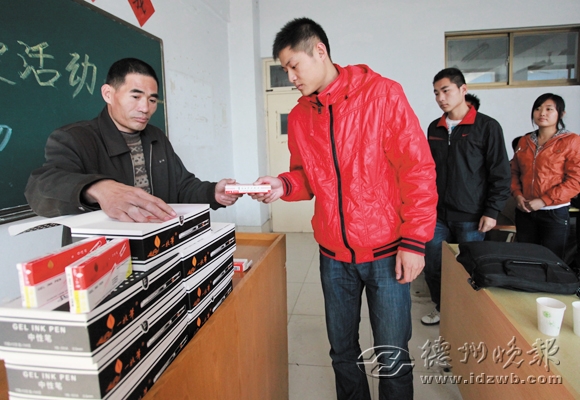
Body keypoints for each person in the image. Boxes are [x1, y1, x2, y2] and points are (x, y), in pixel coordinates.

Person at [250, 18, 437, 400]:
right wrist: (283, 185)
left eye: (293, 66)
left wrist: (415, 242)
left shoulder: (382, 95)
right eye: (285, 69)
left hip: (387, 254)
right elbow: (307, 176)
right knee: (342, 353)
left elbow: (417, 169)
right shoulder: (301, 116)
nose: (290, 77)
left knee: (393, 355)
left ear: (319, 51)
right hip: (333, 258)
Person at [25, 58, 241, 222]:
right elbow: (39, 190)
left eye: (152, 100)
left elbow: (182, 187)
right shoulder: (75, 138)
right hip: (106, 253)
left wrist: (213, 192)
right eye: (135, 97)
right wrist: (97, 188)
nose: (145, 108)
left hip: (157, 245)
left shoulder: (156, 137)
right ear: (108, 94)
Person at [422, 68, 511, 326]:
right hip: (437, 215)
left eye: (446, 91)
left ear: (463, 90)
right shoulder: (435, 128)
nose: (440, 98)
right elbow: (427, 171)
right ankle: (442, 308)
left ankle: (468, 317)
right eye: (436, 93)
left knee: (469, 268)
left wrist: (492, 211)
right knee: (434, 267)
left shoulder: (487, 127)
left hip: (472, 216)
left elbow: (500, 173)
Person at [511, 93, 580, 259]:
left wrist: (543, 201)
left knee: (552, 260)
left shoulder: (571, 141)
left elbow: (575, 180)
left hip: (554, 212)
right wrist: (517, 195)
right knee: (526, 259)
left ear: (561, 114)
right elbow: (514, 172)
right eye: (538, 108)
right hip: (525, 211)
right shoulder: (525, 141)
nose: (542, 113)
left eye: (549, 109)